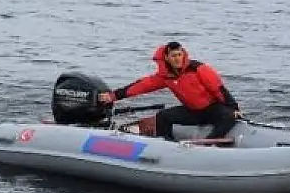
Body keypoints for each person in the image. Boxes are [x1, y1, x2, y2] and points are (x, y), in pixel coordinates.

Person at [99, 41, 240, 142]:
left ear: (183, 54)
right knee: (162, 117)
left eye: (179, 55)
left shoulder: (198, 69)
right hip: (193, 112)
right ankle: (166, 144)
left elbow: (219, 89)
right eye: (174, 56)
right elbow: (139, 87)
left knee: (229, 117)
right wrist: (113, 96)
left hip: (213, 109)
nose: (178, 59)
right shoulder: (165, 77)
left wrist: (233, 107)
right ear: (167, 57)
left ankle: (209, 143)